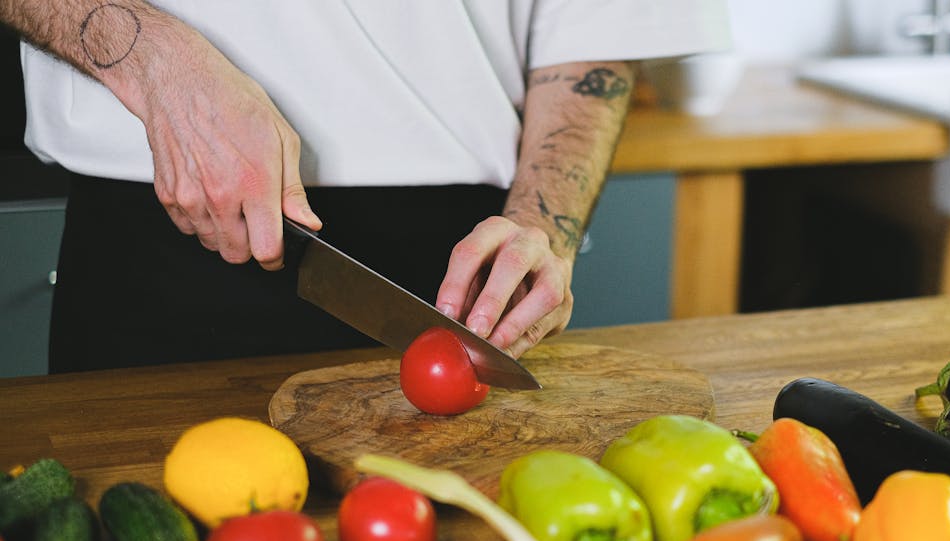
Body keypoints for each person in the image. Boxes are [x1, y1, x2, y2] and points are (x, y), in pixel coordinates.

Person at [0, 1, 731, 373]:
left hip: (460, 278)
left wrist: (544, 223)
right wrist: (148, 58)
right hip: (159, 233)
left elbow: (598, 22)